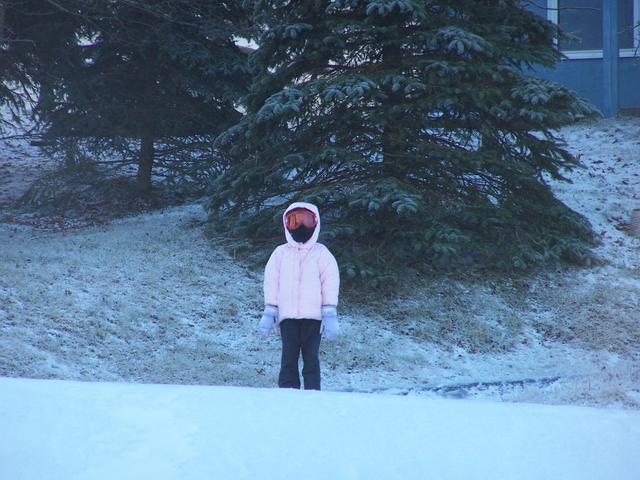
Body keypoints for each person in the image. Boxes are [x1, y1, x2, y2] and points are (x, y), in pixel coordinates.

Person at [259, 202, 340, 390]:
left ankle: (313, 393)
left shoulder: (322, 254)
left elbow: (330, 281)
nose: (301, 226)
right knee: (289, 357)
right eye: (295, 221)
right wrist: (270, 311)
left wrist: (329, 313)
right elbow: (272, 281)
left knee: (311, 358)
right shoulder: (280, 254)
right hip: (287, 318)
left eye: (307, 220)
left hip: (314, 318)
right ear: (287, 224)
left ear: (316, 223)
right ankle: (287, 394)